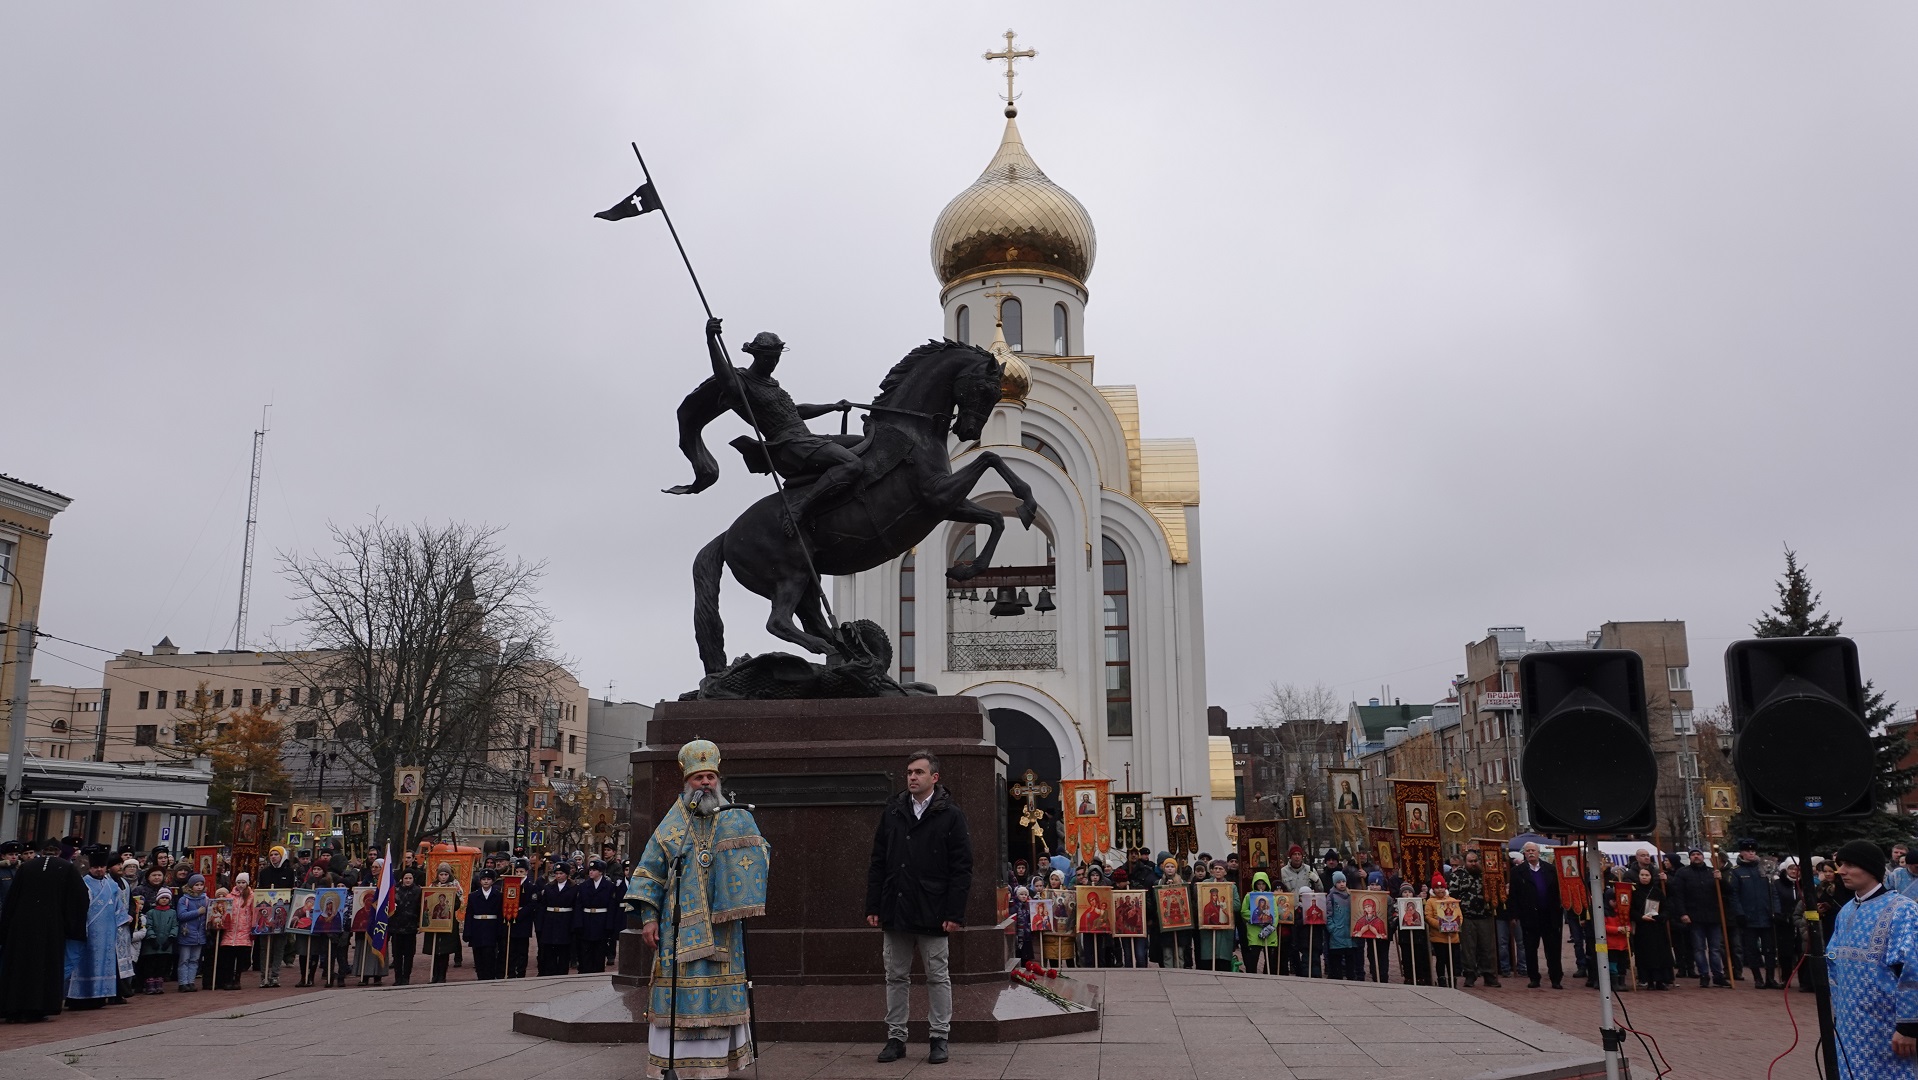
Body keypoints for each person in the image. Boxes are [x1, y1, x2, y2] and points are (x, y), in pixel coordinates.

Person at [636, 739, 770, 1080]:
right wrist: (649, 919)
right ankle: (672, 1065)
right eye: (699, 778)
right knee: (677, 995)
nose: (706, 783)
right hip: (676, 930)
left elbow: (761, 857)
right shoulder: (671, 827)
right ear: (688, 783)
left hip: (722, 930)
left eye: (711, 776)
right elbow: (650, 871)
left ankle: (716, 1067)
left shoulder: (737, 818)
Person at [667, 316, 862, 535]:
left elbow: (796, 411)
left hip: (809, 439)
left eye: (777, 358)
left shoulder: (773, 385)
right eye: (770, 358)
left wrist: (833, 406)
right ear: (757, 355)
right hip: (790, 446)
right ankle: (800, 508)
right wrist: (711, 339)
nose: (774, 363)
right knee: (852, 463)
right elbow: (726, 380)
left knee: (866, 442)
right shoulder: (741, 384)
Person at [866, 749, 971, 1065]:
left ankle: (939, 1038)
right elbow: (878, 861)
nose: (912, 777)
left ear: (934, 777)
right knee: (895, 976)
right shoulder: (894, 811)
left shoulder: (951, 814)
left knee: (937, 976)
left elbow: (962, 868)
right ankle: (896, 1038)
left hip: (934, 912)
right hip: (895, 910)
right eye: (909, 772)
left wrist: (954, 913)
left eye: (919, 772)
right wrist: (874, 905)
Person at [1826, 839, 1918, 1077]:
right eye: (1840, 864)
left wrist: (1909, 1026)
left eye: (1849, 864)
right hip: (1850, 1028)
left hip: (1889, 1029)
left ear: (1871, 868)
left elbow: (1913, 969)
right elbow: (1834, 964)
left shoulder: (1903, 909)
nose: (1841, 871)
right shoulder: (1845, 910)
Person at [0, 838, 87, 1021]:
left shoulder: (26, 867)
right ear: (58, 852)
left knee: (19, 966)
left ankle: (13, 1007)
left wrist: (6, 926)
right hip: (51, 926)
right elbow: (80, 898)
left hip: (21, 925)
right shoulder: (66, 868)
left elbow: (11, 898)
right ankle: (39, 1007)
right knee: (44, 966)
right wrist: (72, 925)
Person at [66, 848, 131, 1008]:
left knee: (104, 965)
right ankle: (78, 998)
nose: (99, 870)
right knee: (83, 965)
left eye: (102, 867)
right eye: (96, 867)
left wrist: (124, 920)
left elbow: (118, 908)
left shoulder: (111, 885)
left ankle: (100, 996)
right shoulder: (82, 883)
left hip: (107, 934)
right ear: (90, 867)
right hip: (87, 931)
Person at [1670, 848, 1731, 988]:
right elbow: (1678, 895)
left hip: (1713, 916)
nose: (1696, 857)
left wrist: (1721, 880)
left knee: (1715, 948)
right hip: (1694, 916)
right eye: (1693, 855)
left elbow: (1728, 891)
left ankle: (1718, 975)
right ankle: (1704, 974)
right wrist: (1683, 913)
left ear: (1703, 857)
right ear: (1689, 858)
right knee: (1699, 948)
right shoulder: (1683, 873)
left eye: (1698, 855)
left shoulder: (1712, 872)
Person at [1510, 842, 1564, 989]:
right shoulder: (1517, 872)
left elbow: (1559, 892)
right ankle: (1534, 977)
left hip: (1550, 915)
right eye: (1528, 851)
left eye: (1533, 850)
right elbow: (1513, 895)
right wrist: (1514, 915)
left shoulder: (1551, 869)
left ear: (1539, 852)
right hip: (1529, 916)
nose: (1531, 853)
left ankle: (1556, 978)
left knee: (1553, 948)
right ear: (1524, 853)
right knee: (1530, 948)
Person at [1729, 837, 1781, 989]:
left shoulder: (1765, 868)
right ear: (1741, 853)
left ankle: (1770, 978)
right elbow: (1734, 895)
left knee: (1770, 949)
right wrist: (1739, 913)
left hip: (1766, 916)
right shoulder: (1737, 872)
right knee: (1752, 950)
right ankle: (1758, 978)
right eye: (1747, 851)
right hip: (1748, 916)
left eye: (1753, 851)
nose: (1751, 853)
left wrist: (1776, 911)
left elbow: (1774, 893)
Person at [1449, 848, 1500, 988]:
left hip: (1485, 915)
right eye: (1470, 861)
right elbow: (1453, 895)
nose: (1473, 863)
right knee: (1468, 948)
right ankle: (1470, 975)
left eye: (1475, 861)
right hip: (1467, 916)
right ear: (1465, 862)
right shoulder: (1458, 875)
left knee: (1487, 947)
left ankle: (1489, 975)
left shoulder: (1486, 874)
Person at [576, 860, 621, 974]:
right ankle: (585, 973)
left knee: (599, 951)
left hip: (601, 922)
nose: (591, 872)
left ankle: (597, 973)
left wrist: (609, 926)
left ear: (601, 872)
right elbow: (579, 905)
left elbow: (612, 907)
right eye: (590, 870)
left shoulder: (609, 886)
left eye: (594, 870)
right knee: (585, 951)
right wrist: (579, 923)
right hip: (587, 921)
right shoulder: (584, 886)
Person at [535, 863, 579, 976]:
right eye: (556, 873)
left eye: (561, 873)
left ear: (567, 874)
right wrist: (540, 925)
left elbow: (576, 907)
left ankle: (562, 972)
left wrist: (574, 925)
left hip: (565, 921)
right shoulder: (549, 887)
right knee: (550, 950)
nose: (558, 876)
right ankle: (550, 972)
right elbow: (543, 906)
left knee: (564, 951)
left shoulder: (574, 888)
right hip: (550, 922)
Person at [466, 868, 507, 979]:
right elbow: (469, 914)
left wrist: (500, 932)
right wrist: (467, 932)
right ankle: (480, 976)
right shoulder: (473, 896)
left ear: (493, 881)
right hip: (477, 928)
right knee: (478, 955)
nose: (486, 881)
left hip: (491, 928)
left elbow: (500, 914)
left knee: (489, 954)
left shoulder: (498, 895)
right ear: (480, 881)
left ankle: (489, 976)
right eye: (483, 879)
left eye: (488, 879)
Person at [175, 875, 209, 992]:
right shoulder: (184, 899)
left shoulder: (206, 899)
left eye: (201, 885)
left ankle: (191, 981)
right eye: (196, 885)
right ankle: (183, 982)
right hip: (187, 933)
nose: (199, 887)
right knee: (184, 959)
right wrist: (197, 912)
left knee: (195, 959)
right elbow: (181, 915)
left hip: (200, 935)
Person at [1242, 874, 1280, 974]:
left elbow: (1275, 914)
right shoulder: (1249, 896)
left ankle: (1268, 977)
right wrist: (1256, 919)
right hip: (1254, 931)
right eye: (1258, 884)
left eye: (1263, 884)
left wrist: (1271, 927)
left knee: (1270, 959)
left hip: (1269, 932)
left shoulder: (1271, 897)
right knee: (1253, 958)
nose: (1261, 886)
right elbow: (1244, 911)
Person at [390, 870, 421, 985]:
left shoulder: (418, 891)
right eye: (406, 878)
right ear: (402, 879)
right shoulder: (395, 890)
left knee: (409, 954)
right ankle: (398, 977)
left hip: (411, 928)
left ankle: (406, 977)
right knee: (397, 955)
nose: (408, 880)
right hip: (396, 928)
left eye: (410, 878)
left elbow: (420, 908)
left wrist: (419, 923)